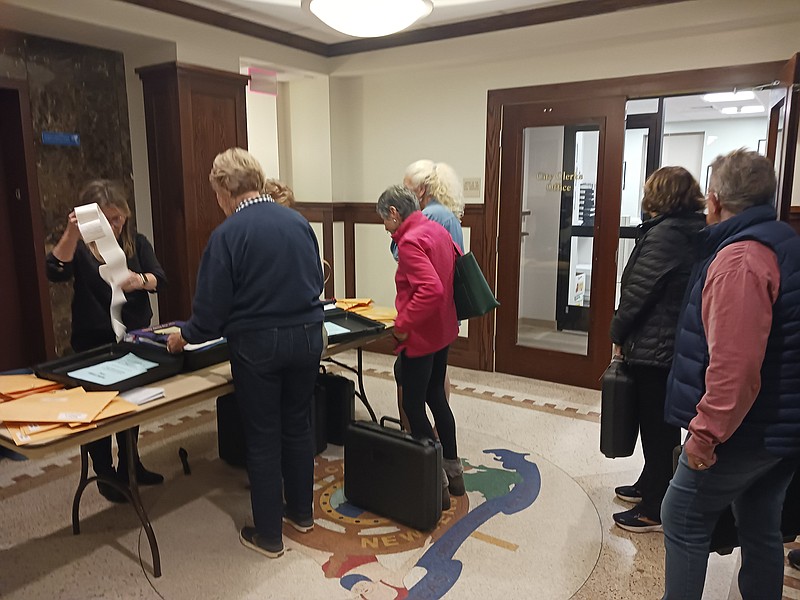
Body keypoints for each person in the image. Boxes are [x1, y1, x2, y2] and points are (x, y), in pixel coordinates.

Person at [166, 147, 324, 559]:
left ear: (223, 188)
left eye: (215, 191)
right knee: (298, 426)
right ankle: (302, 514)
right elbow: (316, 280)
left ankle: (269, 535)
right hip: (309, 336)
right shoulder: (298, 222)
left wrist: (183, 336)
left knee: (264, 437)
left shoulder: (228, 235)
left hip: (259, 345)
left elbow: (209, 316)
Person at [661, 149, 800, 600]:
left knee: (681, 515)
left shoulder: (740, 259)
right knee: (760, 525)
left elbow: (735, 369)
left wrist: (704, 438)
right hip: (781, 425)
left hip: (746, 430)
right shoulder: (784, 239)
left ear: (715, 201)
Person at [46, 179, 167, 502]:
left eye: (119, 218)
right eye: (107, 218)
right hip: (93, 339)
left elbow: (160, 278)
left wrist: (140, 280)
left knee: (131, 405)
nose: (115, 225)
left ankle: (131, 463)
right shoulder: (82, 250)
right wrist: (72, 233)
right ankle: (103, 472)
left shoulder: (135, 243)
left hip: (133, 336)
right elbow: (55, 271)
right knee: (99, 409)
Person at [609, 167, 706, 532]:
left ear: (659, 196)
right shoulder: (690, 229)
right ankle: (649, 483)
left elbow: (638, 293)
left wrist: (617, 331)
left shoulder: (666, 234)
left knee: (657, 428)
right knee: (658, 424)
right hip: (670, 343)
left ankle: (655, 508)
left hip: (656, 346)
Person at [377, 184, 464, 510]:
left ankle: (436, 483)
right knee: (436, 397)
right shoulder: (438, 230)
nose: (385, 227)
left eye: (384, 220)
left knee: (414, 407)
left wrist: (402, 328)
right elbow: (454, 268)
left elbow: (429, 288)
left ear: (395, 213)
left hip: (422, 337)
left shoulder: (411, 242)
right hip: (443, 332)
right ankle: (454, 474)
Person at [392, 160, 464, 431]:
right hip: (444, 313)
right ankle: (441, 447)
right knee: (436, 383)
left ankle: (417, 438)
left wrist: (403, 324)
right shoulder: (445, 214)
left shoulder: (429, 218)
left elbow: (407, 259)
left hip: (427, 319)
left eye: (407, 187)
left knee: (417, 387)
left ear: (421, 189)